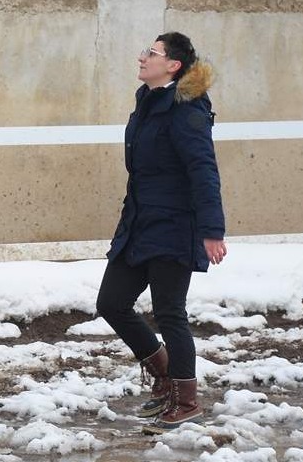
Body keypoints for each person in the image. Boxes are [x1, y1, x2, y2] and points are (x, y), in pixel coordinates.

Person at [96, 32, 227, 433]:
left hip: (174, 225)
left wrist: (211, 231)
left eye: (151, 53)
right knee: (112, 302)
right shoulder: (148, 101)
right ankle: (164, 374)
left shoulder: (185, 109)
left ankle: (185, 401)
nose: (141, 58)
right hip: (139, 223)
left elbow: (203, 170)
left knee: (170, 312)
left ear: (172, 65)